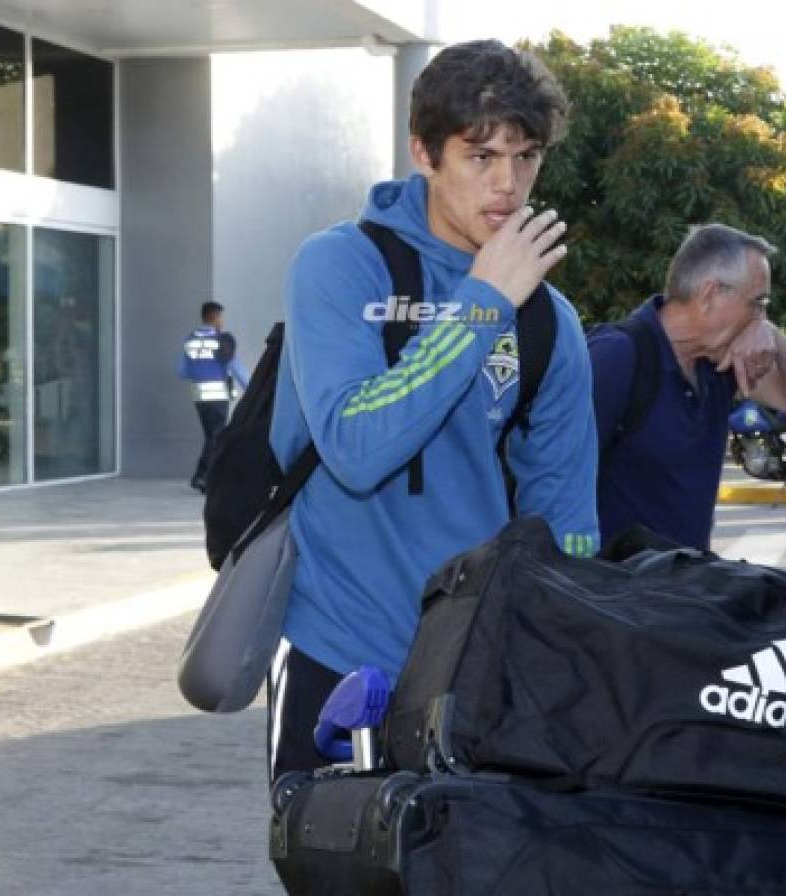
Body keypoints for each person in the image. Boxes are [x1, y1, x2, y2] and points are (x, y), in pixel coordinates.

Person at [267, 40, 599, 783]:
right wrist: (481, 304)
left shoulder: (550, 320)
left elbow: (566, 519)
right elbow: (356, 443)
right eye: (481, 156)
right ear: (424, 152)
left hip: (475, 670)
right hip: (339, 652)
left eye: (527, 156)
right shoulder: (338, 265)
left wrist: (566, 662)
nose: (508, 185)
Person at [589, 223, 786, 550]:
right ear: (710, 295)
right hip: (614, 591)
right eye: (757, 303)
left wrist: (772, 333)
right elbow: (551, 479)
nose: (760, 316)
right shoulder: (617, 356)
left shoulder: (720, 363)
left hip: (684, 583)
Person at [179, 301, 249, 492]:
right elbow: (237, 369)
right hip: (217, 397)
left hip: (199, 398)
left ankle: (203, 476)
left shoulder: (190, 340)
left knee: (211, 436)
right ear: (215, 317)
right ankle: (204, 477)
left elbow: (182, 371)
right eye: (221, 317)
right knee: (217, 437)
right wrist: (252, 389)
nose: (222, 321)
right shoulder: (221, 341)